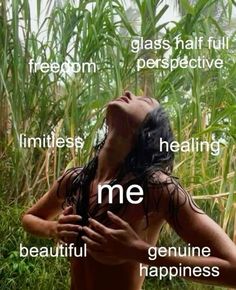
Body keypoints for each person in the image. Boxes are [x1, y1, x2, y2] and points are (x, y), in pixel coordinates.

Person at [21, 91, 236, 290]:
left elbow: (232, 268)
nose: (128, 93)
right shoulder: (76, 179)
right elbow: (29, 218)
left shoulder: (157, 188)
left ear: (150, 132)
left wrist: (138, 251)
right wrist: (54, 229)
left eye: (143, 101)